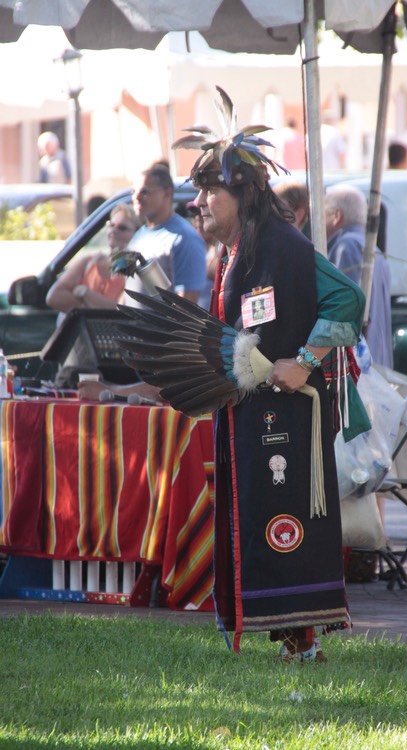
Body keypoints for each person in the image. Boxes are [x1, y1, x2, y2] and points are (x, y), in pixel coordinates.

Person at [171, 87, 366, 662]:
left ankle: (304, 639)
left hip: (289, 415)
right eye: (199, 190)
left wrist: (302, 360)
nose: (200, 201)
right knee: (257, 513)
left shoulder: (282, 245)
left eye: (210, 190)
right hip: (251, 414)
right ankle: (288, 635)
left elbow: (348, 301)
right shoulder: (239, 251)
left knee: (286, 518)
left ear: (245, 192)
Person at [325, 183, 393, 369]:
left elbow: (344, 312)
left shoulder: (348, 246)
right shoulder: (373, 249)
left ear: (336, 216)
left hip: (359, 366)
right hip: (376, 361)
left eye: (322, 212)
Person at [126, 163, 207, 305]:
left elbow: (187, 308)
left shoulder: (184, 239)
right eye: (133, 191)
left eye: (144, 191)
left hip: (161, 328)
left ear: (167, 193)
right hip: (133, 326)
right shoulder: (138, 237)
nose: (136, 197)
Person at [46, 202, 141, 314]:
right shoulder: (88, 261)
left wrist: (85, 292)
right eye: (111, 225)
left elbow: (121, 312)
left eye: (122, 228)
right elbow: (54, 297)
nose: (114, 231)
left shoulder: (136, 269)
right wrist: (96, 308)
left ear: (137, 233)